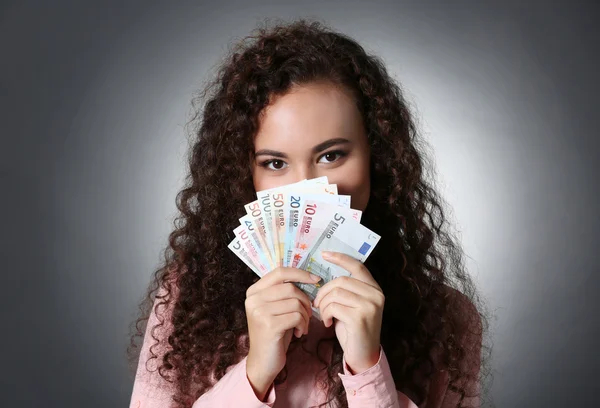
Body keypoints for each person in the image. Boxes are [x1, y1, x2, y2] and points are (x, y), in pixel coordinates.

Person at [127, 18, 491, 408]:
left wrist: (368, 370)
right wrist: (255, 373)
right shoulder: (187, 301)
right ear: (244, 174)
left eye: (331, 155)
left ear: (377, 159)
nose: (307, 188)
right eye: (274, 163)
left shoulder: (447, 319)